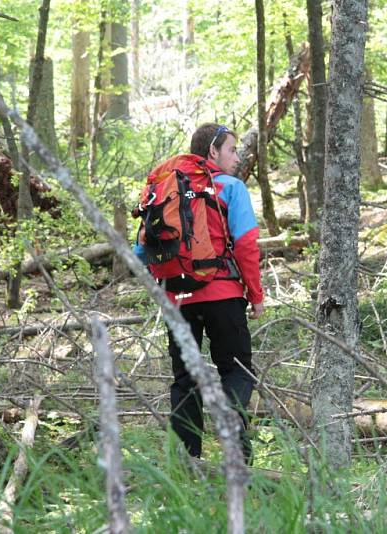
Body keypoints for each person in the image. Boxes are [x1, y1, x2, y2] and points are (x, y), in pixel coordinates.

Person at [135, 123, 265, 462]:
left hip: (177, 298)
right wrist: (256, 295)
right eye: (232, 150)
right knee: (236, 370)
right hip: (222, 294)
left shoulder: (166, 189)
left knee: (185, 379)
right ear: (213, 152)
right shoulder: (231, 188)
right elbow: (248, 245)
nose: (237, 157)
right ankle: (236, 443)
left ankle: (187, 460)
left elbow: (141, 251)